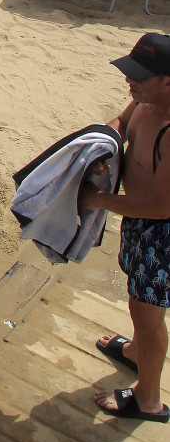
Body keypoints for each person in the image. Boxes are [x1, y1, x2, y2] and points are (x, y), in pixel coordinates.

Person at [81, 36, 170, 422]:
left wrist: (98, 201)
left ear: (168, 82)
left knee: (148, 312)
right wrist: (107, 146)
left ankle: (149, 399)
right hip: (139, 220)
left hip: (162, 231)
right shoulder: (144, 100)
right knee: (137, 295)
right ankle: (136, 351)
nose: (129, 83)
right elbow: (121, 121)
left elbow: (161, 205)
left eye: (139, 77)